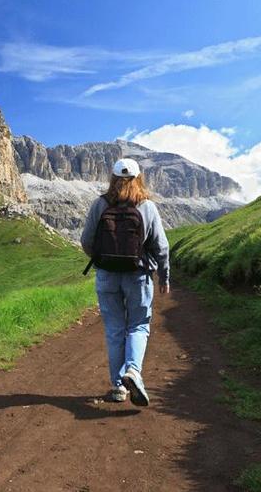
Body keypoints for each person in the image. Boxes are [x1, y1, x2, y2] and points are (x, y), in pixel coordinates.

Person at [80, 158, 169, 407]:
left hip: (107, 276)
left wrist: (102, 261)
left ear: (112, 178)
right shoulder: (147, 206)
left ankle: (118, 387)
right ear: (139, 178)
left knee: (115, 330)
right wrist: (164, 275)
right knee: (138, 326)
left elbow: (86, 241)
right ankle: (133, 371)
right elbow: (161, 246)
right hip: (138, 275)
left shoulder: (100, 204)